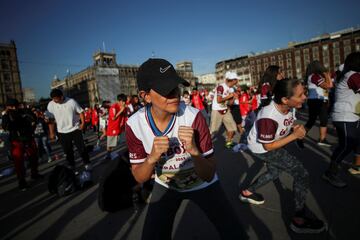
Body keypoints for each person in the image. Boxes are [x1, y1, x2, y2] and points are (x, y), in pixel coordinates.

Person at [126, 58, 248, 240]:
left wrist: (194, 152)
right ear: (146, 96)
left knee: (235, 233)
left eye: (176, 87)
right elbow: (139, 177)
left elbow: (208, 173)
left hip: (202, 183)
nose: (175, 94)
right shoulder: (134, 124)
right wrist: (151, 158)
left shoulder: (193, 117)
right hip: (166, 184)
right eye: (166, 90)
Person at [239, 79, 326, 234]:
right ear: (285, 99)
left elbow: (285, 122)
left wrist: (293, 127)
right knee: (301, 173)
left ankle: (247, 192)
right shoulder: (268, 115)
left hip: (269, 144)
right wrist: (294, 136)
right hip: (263, 148)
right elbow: (268, 146)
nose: (305, 97)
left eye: (305, 93)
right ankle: (299, 220)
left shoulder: (290, 106)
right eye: (300, 95)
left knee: (274, 172)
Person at [322, 52, 360, 187]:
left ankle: (356, 165)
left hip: (349, 115)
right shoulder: (353, 75)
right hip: (345, 116)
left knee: (355, 142)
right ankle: (330, 173)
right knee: (346, 145)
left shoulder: (350, 74)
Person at [2, 99, 43, 191]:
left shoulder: (23, 111)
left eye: (16, 106)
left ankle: (34, 174)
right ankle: (22, 181)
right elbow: (6, 127)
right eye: (12, 107)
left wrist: (28, 113)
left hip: (28, 138)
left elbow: (33, 119)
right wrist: (7, 116)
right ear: (8, 107)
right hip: (16, 141)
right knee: (19, 162)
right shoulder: (7, 115)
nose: (14, 108)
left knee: (33, 157)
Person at [47, 89, 91, 170]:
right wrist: (51, 132)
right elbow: (51, 120)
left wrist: (83, 123)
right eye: (53, 99)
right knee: (68, 151)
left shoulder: (71, 101)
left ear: (61, 96)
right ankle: (72, 165)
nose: (55, 100)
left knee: (81, 148)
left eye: (57, 98)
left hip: (75, 129)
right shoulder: (51, 105)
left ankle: (87, 163)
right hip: (62, 132)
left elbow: (81, 112)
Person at [304, 60, 333, 147]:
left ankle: (321, 139)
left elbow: (327, 88)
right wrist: (327, 75)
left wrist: (326, 99)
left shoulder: (316, 76)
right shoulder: (314, 76)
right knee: (317, 120)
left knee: (318, 120)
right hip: (316, 100)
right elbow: (329, 85)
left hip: (319, 100)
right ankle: (300, 135)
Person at [210, 71, 239, 148]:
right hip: (217, 111)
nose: (237, 81)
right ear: (233, 80)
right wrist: (229, 96)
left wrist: (233, 99)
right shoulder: (221, 87)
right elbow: (219, 100)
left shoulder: (232, 89)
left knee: (232, 128)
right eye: (236, 80)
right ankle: (206, 143)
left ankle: (228, 142)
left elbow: (230, 104)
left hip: (226, 110)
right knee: (213, 131)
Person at [105, 94, 128, 160]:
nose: (124, 103)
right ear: (119, 101)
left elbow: (125, 116)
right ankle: (108, 154)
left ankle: (126, 154)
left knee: (124, 141)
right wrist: (121, 110)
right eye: (122, 101)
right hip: (113, 128)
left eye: (124, 101)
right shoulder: (113, 107)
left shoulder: (124, 107)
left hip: (121, 127)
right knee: (110, 143)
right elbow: (113, 118)